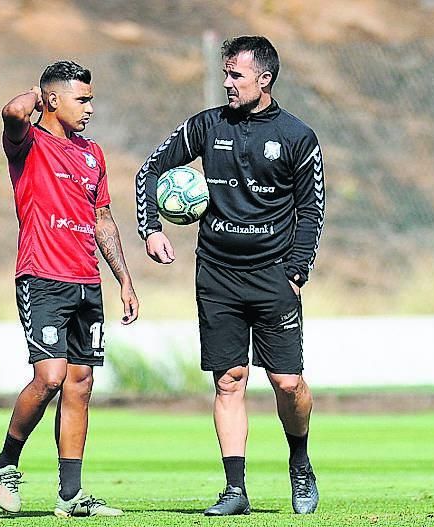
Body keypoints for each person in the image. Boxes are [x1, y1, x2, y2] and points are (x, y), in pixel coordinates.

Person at [135, 36, 324, 516]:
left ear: (264, 79)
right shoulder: (206, 125)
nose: (226, 83)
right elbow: (149, 171)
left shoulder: (298, 136)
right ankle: (235, 490)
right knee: (229, 381)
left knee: (287, 383)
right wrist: (151, 229)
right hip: (217, 276)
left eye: (235, 75)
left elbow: (312, 211)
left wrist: (296, 273)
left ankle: (299, 463)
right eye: (225, 74)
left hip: (273, 278)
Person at [0, 60, 139, 517]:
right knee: (49, 377)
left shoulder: (92, 153)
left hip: (86, 280)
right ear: (53, 100)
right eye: (83, 99)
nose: (91, 108)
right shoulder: (29, 143)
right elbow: (13, 112)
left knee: (80, 384)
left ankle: (71, 496)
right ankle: (6, 464)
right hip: (42, 276)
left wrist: (125, 279)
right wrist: (39, 94)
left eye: (91, 98)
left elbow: (103, 218)